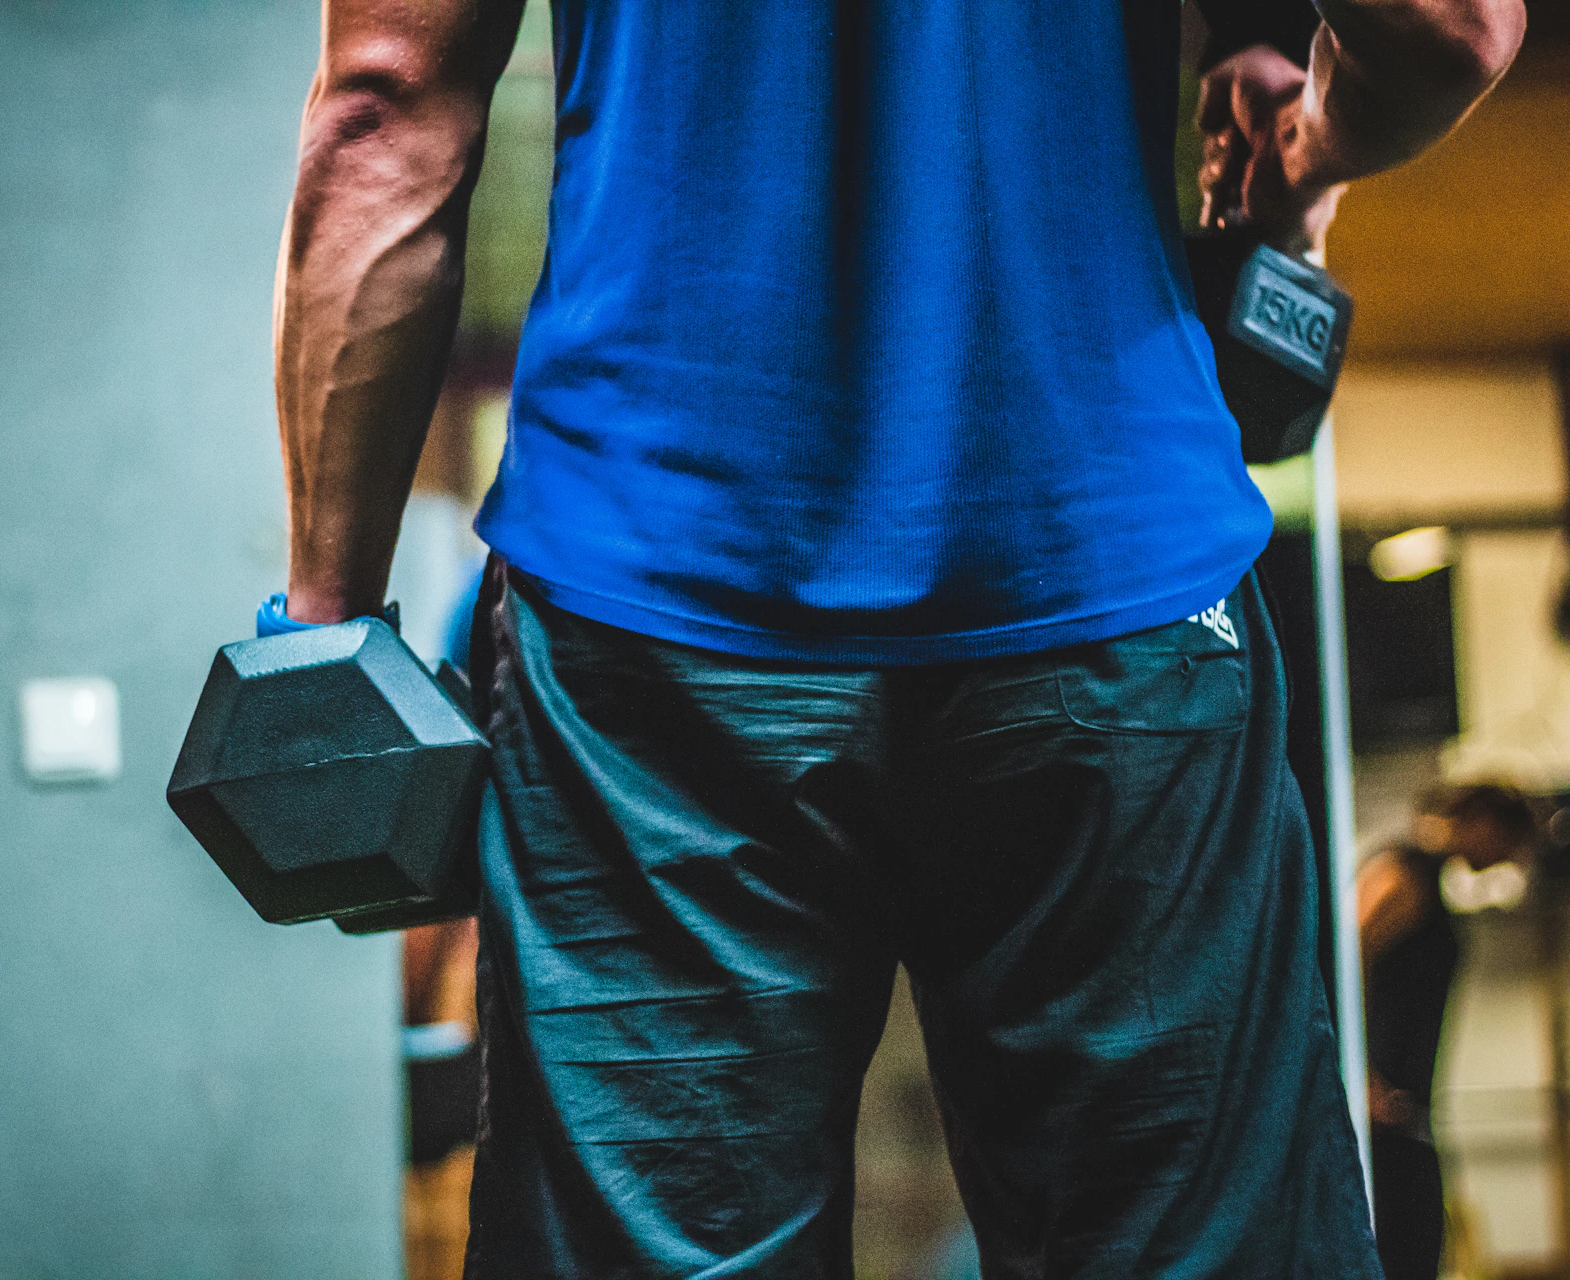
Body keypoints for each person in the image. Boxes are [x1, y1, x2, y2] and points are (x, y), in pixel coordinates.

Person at [259, 0, 1525, 1272]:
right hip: (1102, 565)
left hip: (658, 609)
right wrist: (1311, 143)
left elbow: (385, 100)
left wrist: (325, 627)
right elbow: (1449, 27)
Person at [1358, 784, 1537, 1280]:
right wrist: (1359, 1075)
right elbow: (1341, 962)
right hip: (1383, 1112)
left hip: (1406, 1109)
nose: (1509, 857)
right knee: (1407, 1249)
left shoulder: (1427, 879)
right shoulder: (1404, 873)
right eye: (1510, 839)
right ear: (1480, 819)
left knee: (1422, 1246)